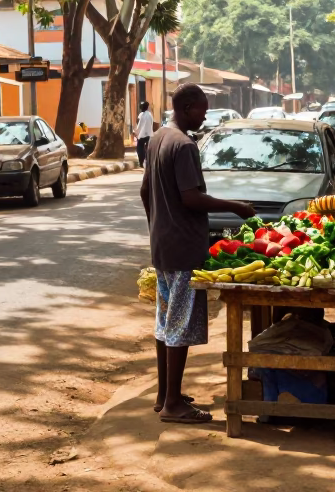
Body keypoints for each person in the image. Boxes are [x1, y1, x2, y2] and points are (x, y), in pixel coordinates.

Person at [140, 83, 256, 424]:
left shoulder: (159, 137)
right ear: (187, 107)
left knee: (164, 322)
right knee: (178, 322)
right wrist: (235, 206)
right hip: (183, 248)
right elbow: (191, 198)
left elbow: (145, 190)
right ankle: (174, 405)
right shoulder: (184, 145)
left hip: (163, 245)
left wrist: (157, 225)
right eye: (202, 109)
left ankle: (164, 394)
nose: (205, 115)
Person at [135, 101, 155, 168]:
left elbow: (139, 125)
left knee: (139, 148)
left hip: (142, 135)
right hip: (149, 134)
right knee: (148, 148)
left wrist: (136, 132)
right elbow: (152, 124)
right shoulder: (150, 114)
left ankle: (141, 162)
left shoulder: (141, 115)